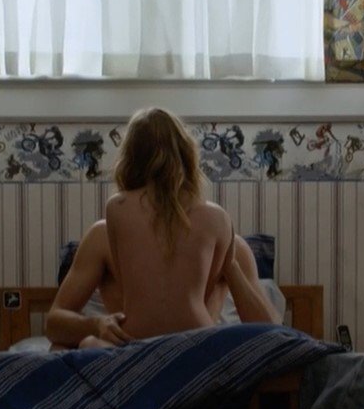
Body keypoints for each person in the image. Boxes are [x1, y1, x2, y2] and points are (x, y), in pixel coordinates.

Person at [47, 107, 280, 348]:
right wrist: (96, 324)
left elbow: (272, 333)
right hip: (133, 344)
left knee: (86, 346)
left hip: (194, 346)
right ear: (189, 159)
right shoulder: (101, 237)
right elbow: (54, 323)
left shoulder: (231, 243)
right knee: (73, 346)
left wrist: (230, 267)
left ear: (128, 161)